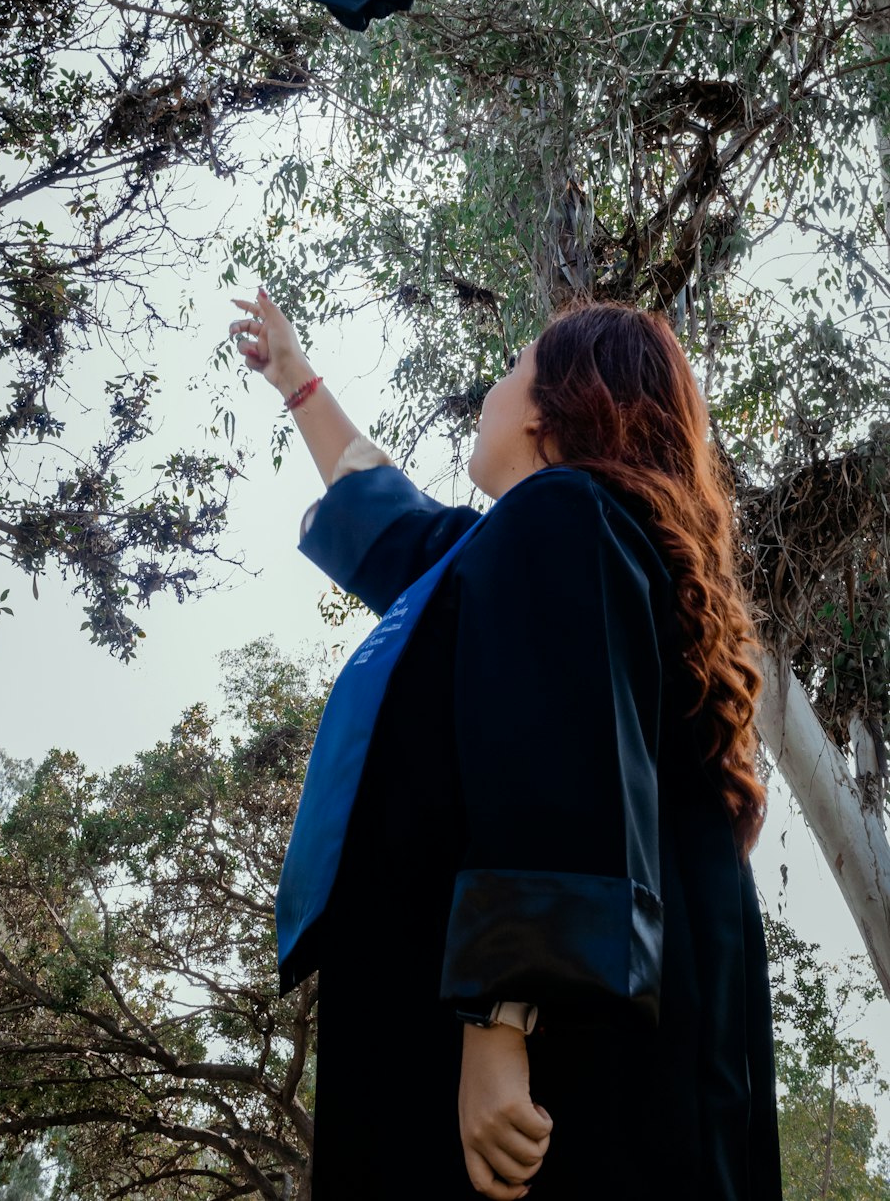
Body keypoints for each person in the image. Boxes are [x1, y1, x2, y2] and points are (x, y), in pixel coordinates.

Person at [228, 287, 784, 1201]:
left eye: (509, 370)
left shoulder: (560, 514)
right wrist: (297, 382)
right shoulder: (540, 549)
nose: (488, 392)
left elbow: (552, 772)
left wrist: (497, 1016)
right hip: (633, 1052)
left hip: (541, 1057)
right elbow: (388, 511)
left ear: (551, 408)